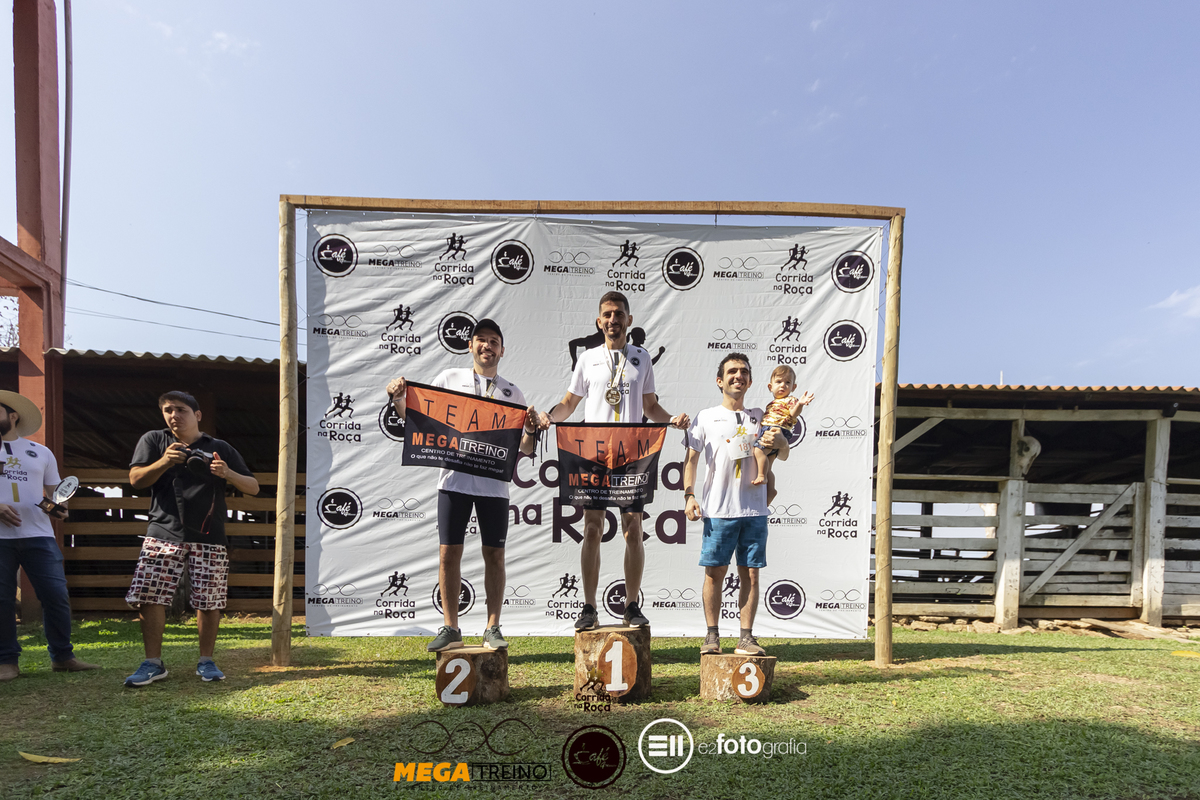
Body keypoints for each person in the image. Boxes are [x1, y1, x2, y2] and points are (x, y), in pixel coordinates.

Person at [386, 318, 546, 652]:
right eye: (481, 340)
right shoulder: (448, 378)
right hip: (453, 482)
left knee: (495, 556)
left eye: (494, 341)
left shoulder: (512, 392)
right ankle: (450, 627)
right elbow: (418, 420)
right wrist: (399, 400)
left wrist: (531, 429)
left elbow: (526, 449)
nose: (487, 346)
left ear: (502, 350)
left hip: (494, 488)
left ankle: (492, 627)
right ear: (470, 345)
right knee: (448, 555)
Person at [539, 292, 689, 630]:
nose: (612, 320)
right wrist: (550, 416)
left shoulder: (642, 358)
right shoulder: (588, 358)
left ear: (629, 320)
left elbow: (650, 407)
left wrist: (671, 419)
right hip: (593, 453)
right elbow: (569, 402)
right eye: (607, 314)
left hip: (631, 455)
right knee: (591, 529)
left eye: (619, 314)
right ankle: (589, 607)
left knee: (633, 530)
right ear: (599, 321)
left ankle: (632, 605)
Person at [123, 391, 259, 686]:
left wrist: (227, 473)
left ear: (197, 415)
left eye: (181, 410)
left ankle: (206, 661)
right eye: (168, 410)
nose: (174, 415)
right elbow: (135, 481)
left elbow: (253, 487)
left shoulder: (219, 447)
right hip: (162, 530)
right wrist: (164, 462)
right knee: (149, 596)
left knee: (209, 600)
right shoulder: (154, 441)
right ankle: (153, 663)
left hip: (210, 535)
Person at [684, 353, 789, 656]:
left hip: (754, 510)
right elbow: (689, 461)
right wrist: (689, 495)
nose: (738, 376)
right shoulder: (705, 416)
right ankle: (712, 635)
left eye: (743, 372)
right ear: (720, 380)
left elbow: (782, 454)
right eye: (731, 372)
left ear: (751, 381)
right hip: (718, 510)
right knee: (714, 574)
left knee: (751, 575)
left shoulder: (762, 415)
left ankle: (746, 637)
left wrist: (781, 442)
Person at [0, 390, 100, 681]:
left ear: (13, 416)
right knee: (1, 599)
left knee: (56, 595)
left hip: (39, 535)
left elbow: (57, 491)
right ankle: (6, 661)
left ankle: (63, 657)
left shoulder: (41, 452)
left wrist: (60, 506)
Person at [749, 364, 814, 504]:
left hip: (775, 430)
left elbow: (793, 413)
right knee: (769, 465)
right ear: (770, 386)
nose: (783, 385)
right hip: (768, 429)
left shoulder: (791, 400)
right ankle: (771, 490)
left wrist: (800, 404)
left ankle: (762, 476)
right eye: (778, 382)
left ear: (793, 387)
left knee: (758, 452)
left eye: (787, 382)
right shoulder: (771, 404)